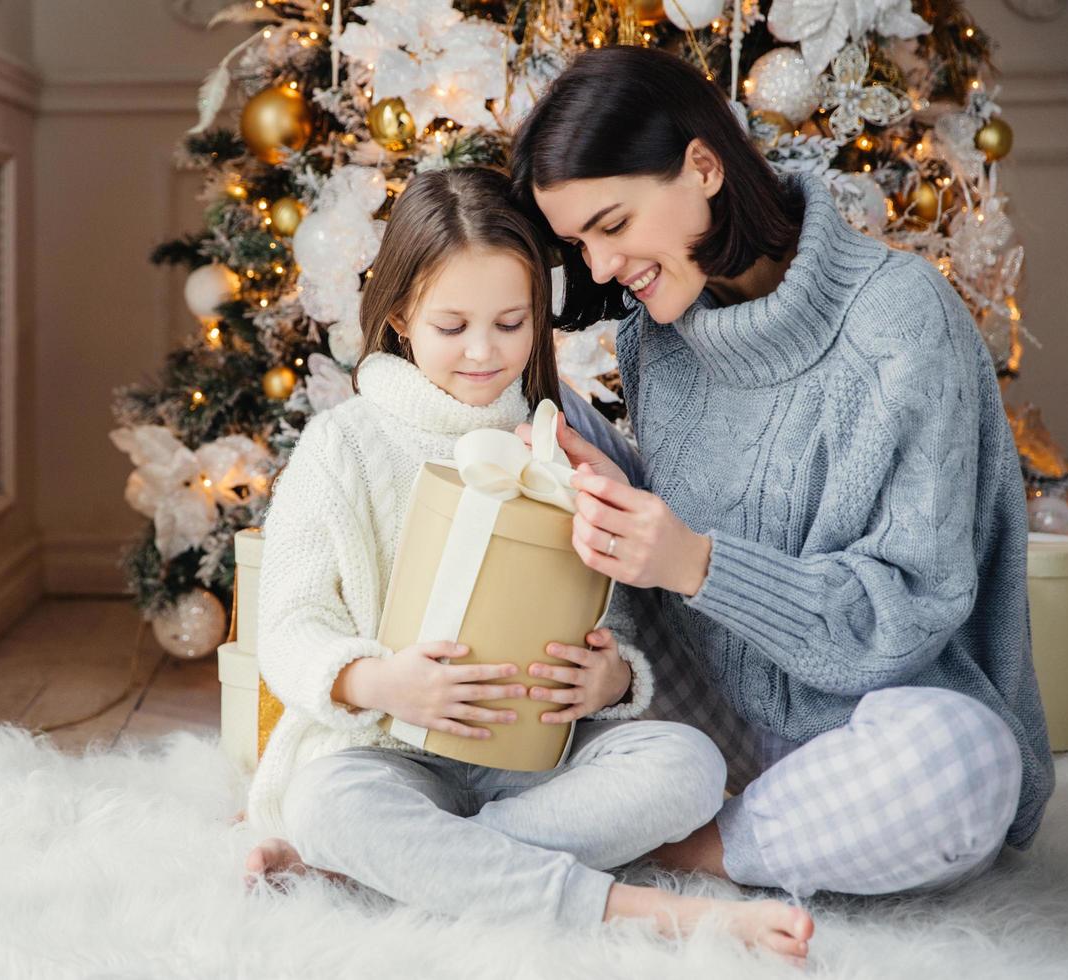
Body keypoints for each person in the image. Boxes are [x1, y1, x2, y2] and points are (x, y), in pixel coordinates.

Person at [505, 45, 1053, 899]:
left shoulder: (898, 321)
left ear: (702, 165)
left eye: (612, 226)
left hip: (870, 733)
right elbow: (677, 559)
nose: (603, 268)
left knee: (965, 760)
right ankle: (507, 796)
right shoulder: (657, 339)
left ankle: (671, 848)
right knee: (523, 406)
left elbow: (907, 615)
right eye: (581, 243)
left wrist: (695, 562)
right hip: (702, 716)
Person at [243, 166, 814, 957]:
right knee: (324, 804)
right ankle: (641, 913)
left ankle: (405, 866)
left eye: (511, 324)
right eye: (453, 328)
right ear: (402, 317)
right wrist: (381, 681)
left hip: (535, 760)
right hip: (390, 756)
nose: (484, 352)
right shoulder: (344, 444)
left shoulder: (557, 445)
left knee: (684, 763)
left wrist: (611, 681)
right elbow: (291, 626)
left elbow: (608, 621)